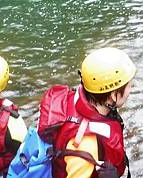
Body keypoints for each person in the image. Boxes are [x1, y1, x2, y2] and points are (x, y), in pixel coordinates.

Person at [51, 47, 136, 178]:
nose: (131, 89)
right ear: (113, 95)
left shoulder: (93, 100)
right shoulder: (85, 145)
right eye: (129, 85)